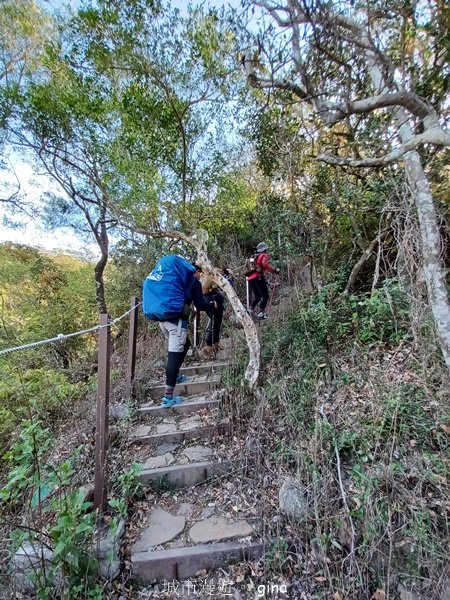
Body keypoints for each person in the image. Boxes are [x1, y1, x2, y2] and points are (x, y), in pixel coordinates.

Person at [159, 264, 215, 408]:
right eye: (200, 273)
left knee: (186, 344)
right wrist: (212, 304)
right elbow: (201, 305)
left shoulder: (176, 280)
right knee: (173, 355)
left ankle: (176, 375)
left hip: (163, 320)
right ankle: (168, 397)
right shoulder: (193, 282)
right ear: (196, 271)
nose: (200, 276)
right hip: (176, 323)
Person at [247, 242, 280, 319]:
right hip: (257, 276)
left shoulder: (254, 256)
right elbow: (265, 265)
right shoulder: (263, 255)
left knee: (258, 296)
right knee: (265, 295)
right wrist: (274, 270)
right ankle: (260, 313)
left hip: (250, 278)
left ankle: (250, 309)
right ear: (264, 249)